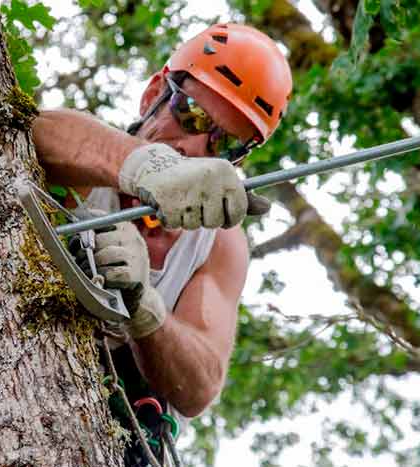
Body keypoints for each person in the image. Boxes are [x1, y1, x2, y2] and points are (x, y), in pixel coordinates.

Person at [32, 23, 293, 465]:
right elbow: (38, 135)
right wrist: (147, 167)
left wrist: (145, 307)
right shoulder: (90, 157)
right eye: (191, 114)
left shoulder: (218, 244)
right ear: (155, 91)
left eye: (223, 143)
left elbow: (201, 384)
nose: (195, 147)